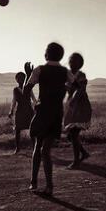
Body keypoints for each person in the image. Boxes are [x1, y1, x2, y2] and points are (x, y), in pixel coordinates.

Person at [24, 42, 74, 196]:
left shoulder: (39, 69)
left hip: (42, 112)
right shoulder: (65, 72)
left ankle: (33, 182)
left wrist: (27, 75)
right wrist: (64, 91)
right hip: (56, 114)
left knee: (38, 147)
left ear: (46, 54)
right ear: (61, 56)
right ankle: (49, 186)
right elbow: (76, 86)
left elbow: (27, 89)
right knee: (45, 150)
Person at [63, 53, 92, 169]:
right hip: (70, 105)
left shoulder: (81, 75)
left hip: (80, 106)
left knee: (73, 134)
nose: (71, 63)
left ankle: (76, 162)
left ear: (79, 64)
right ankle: (84, 153)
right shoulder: (67, 75)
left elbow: (80, 90)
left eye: (74, 61)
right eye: (70, 60)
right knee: (70, 135)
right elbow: (66, 88)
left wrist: (73, 100)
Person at [8, 70, 36, 154]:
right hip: (20, 111)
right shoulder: (15, 90)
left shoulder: (28, 88)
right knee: (17, 130)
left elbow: (33, 99)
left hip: (28, 110)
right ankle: (17, 148)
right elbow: (14, 101)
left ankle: (35, 148)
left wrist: (37, 107)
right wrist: (11, 111)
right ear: (16, 80)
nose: (21, 80)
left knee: (32, 130)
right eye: (19, 78)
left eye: (22, 78)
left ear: (25, 79)